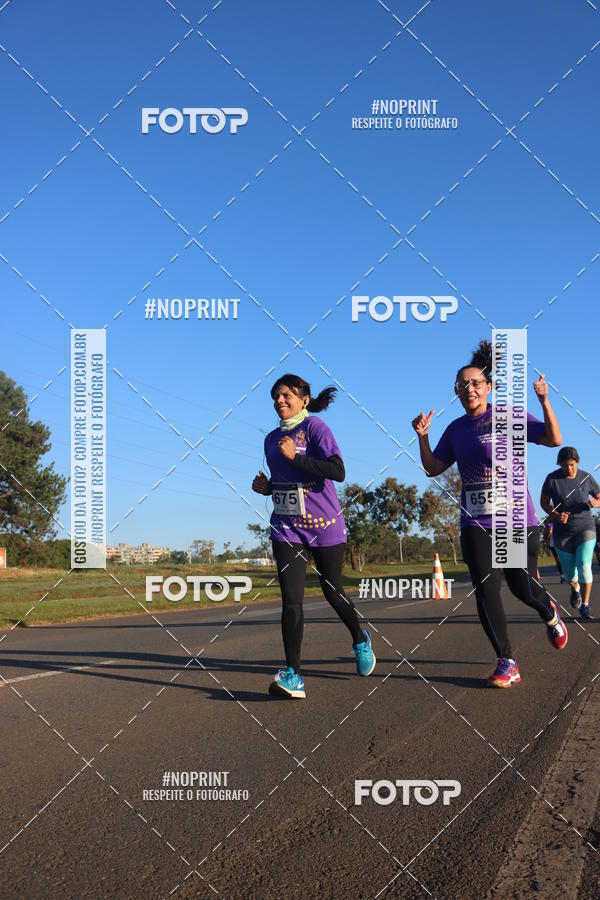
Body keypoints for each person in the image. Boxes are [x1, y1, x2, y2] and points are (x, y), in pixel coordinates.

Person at [412, 339, 567, 689]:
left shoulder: (508, 416)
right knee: (486, 589)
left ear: (489, 387)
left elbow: (553, 439)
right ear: (456, 391)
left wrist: (544, 401)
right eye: (462, 385)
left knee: (522, 588)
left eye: (476, 383)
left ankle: (548, 610)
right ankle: (506, 660)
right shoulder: (455, 430)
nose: (469, 389)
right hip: (475, 521)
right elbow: (433, 468)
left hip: (514, 519)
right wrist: (423, 437)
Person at [252, 374, 375, 699]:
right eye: (276, 396)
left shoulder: (316, 428)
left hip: (324, 524)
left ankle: (360, 639)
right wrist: (267, 488)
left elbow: (338, 471)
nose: (280, 400)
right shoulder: (270, 439)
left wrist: (297, 457)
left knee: (333, 592)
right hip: (286, 527)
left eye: (287, 395)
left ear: (304, 399)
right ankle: (294, 675)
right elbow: (285, 482)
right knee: (291, 600)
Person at [541, 447, 600, 621]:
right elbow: (544, 503)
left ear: (577, 462)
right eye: (565, 465)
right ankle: (575, 588)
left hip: (585, 528)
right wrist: (556, 515)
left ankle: (586, 605)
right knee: (570, 575)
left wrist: (596, 502)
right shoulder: (552, 479)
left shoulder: (586, 477)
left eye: (572, 465)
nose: (569, 468)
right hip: (563, 533)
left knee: (584, 565)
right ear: (559, 465)